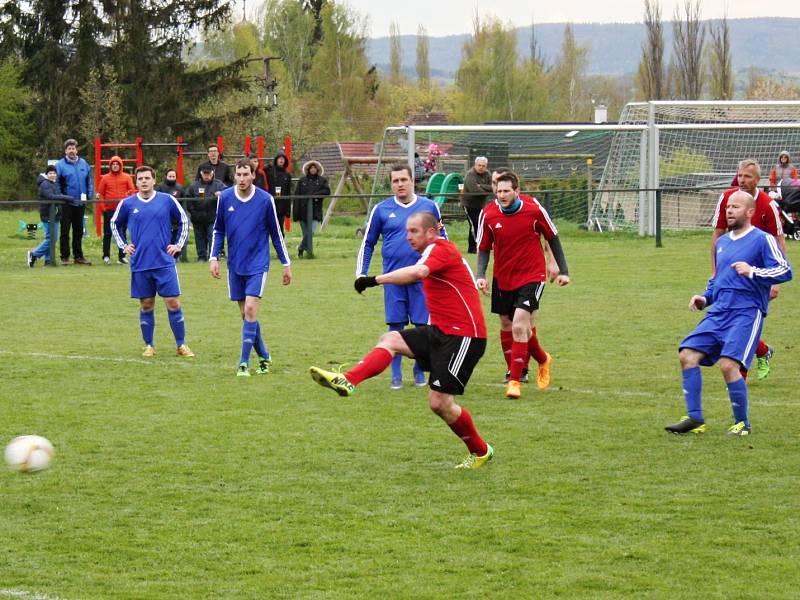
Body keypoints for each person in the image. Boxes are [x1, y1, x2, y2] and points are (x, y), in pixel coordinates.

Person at [310, 211, 493, 470]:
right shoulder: (433, 250)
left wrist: (375, 280)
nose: (408, 237)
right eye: (407, 231)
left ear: (431, 232)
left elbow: (418, 272)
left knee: (439, 403)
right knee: (391, 339)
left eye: (414, 231)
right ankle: (348, 380)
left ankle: (481, 450)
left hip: (464, 336)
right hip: (441, 331)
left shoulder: (441, 248)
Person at [666, 191, 792, 436]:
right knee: (687, 355)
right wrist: (704, 298)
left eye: (735, 207)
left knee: (728, 365)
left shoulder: (763, 240)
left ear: (750, 212)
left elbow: (785, 271)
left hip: (747, 312)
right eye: (727, 208)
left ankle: (742, 423)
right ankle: (694, 418)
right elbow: (718, 281)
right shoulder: (721, 243)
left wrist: (753, 271)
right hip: (719, 312)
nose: (729, 211)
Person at [476, 171, 570, 400]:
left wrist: (563, 270)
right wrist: (481, 275)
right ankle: (542, 359)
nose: (502, 195)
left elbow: (553, 237)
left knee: (520, 324)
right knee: (507, 323)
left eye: (506, 191)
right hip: (503, 276)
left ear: (517, 191)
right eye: (498, 191)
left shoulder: (534, 211)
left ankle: (515, 380)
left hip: (532, 275)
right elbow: (483, 247)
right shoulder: (488, 215)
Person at [356, 163, 445, 390]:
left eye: (403, 180)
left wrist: (442, 272)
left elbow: (442, 241)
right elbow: (368, 243)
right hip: (393, 279)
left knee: (421, 325)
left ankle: (418, 372)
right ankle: (395, 375)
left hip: (422, 279)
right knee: (395, 324)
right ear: (391, 184)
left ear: (412, 180)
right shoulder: (381, 209)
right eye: (395, 181)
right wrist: (361, 273)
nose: (400, 185)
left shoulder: (429, 207)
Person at [209, 158, 292, 376]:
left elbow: (276, 234)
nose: (242, 178)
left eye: (247, 174)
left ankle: (243, 363)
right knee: (246, 315)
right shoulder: (225, 198)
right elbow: (218, 230)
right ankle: (264, 355)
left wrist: (286, 263)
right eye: (239, 174)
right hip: (235, 264)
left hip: (258, 263)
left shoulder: (265, 200)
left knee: (250, 309)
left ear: (254, 175)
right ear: (234, 176)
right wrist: (213, 257)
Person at [712, 158, 785, 380]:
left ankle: (738, 376)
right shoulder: (727, 198)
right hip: (732, 272)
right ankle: (762, 350)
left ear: (757, 180)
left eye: (748, 177)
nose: (742, 181)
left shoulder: (768, 205)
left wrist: (774, 281)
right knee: (731, 322)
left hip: (759, 276)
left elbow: (779, 241)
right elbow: (717, 237)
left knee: (742, 322)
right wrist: (716, 274)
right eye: (740, 176)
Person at [110, 166, 194, 358]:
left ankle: (181, 345)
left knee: (173, 303)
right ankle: (149, 345)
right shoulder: (128, 204)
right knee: (146, 305)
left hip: (164, 263)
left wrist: (178, 244)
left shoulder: (167, 200)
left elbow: (183, 221)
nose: (144, 181)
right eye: (140, 179)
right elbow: (115, 223)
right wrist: (123, 245)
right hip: (140, 264)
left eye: (147, 178)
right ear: (136, 182)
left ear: (154, 180)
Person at [56, 138, 93, 265]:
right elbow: (57, 184)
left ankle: (78, 257)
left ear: (76, 150)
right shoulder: (60, 165)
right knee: (65, 231)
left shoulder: (84, 164)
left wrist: (89, 194)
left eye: (73, 148)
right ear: (65, 151)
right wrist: (61, 197)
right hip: (66, 203)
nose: (72, 151)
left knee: (79, 231)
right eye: (69, 148)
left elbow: (89, 181)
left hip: (80, 203)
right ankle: (64, 257)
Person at [27, 165, 70, 268]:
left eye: (54, 173)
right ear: (46, 174)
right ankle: (34, 254)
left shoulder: (53, 183)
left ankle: (48, 261)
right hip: (48, 215)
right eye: (50, 173)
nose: (52, 175)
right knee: (52, 238)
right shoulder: (45, 184)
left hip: (54, 215)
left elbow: (57, 196)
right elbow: (51, 197)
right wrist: (66, 197)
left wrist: (63, 198)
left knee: (50, 238)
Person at [96, 156, 136, 265]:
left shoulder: (127, 177)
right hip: (109, 210)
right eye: (113, 164)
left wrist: (128, 205)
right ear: (110, 166)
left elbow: (132, 192)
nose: (115, 166)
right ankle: (106, 256)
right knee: (108, 234)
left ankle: (122, 256)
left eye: (117, 164)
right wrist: (104, 208)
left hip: (123, 211)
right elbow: (100, 194)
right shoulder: (105, 178)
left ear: (120, 166)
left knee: (122, 233)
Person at [185, 167, 225, 262]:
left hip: (213, 217)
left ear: (212, 173)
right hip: (197, 218)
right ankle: (201, 257)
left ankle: (213, 256)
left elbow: (229, 192)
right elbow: (188, 200)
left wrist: (222, 193)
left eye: (208, 174)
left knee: (213, 237)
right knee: (199, 239)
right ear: (201, 174)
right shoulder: (193, 186)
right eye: (205, 174)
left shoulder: (219, 185)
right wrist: (193, 213)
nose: (206, 176)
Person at [293, 160, 330, 258]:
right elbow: (297, 196)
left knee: (311, 232)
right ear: (308, 169)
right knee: (306, 234)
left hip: (315, 211)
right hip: (302, 211)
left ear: (317, 169)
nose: (313, 169)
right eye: (311, 168)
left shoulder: (322, 181)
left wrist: (315, 195)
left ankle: (300, 248)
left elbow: (327, 191)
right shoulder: (302, 181)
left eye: (315, 168)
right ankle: (306, 253)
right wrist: (295, 213)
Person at [460, 156, 493, 254]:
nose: (481, 167)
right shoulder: (470, 174)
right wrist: (486, 190)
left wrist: (481, 186)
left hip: (480, 205)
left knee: (480, 225)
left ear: (486, 166)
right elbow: (474, 191)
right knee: (474, 225)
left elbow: (493, 187)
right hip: (469, 204)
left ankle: (476, 247)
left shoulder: (487, 174)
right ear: (475, 165)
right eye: (479, 165)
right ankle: (473, 248)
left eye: (483, 166)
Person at [267, 151, 292, 236]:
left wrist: (288, 210)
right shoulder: (270, 172)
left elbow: (288, 192)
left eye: (283, 159)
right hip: (271, 202)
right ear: (276, 160)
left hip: (282, 204)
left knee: (280, 227)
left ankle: (281, 243)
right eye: (279, 158)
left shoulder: (287, 175)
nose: (281, 160)